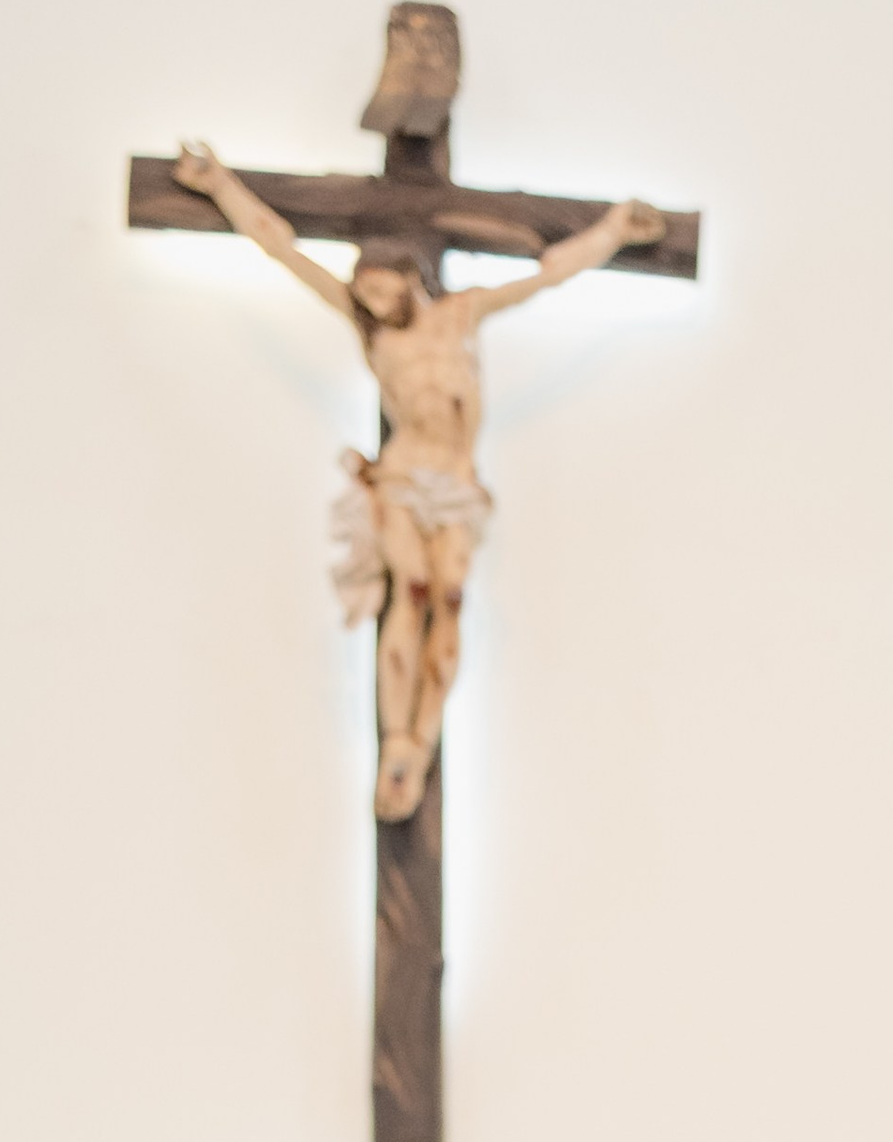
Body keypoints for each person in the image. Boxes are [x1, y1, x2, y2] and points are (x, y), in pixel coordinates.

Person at [169, 143, 665, 821]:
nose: (374, 303)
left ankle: (420, 740)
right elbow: (282, 248)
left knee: (451, 597)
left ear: (410, 278)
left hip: (455, 480)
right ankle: (394, 738)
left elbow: (549, 275)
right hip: (402, 475)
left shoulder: (463, 313)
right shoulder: (374, 335)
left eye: (383, 289)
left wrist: (612, 230)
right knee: (412, 589)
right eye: (366, 295)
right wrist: (220, 184)